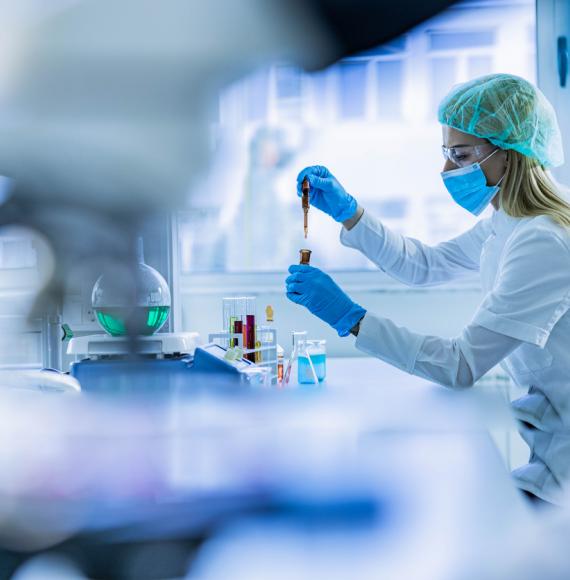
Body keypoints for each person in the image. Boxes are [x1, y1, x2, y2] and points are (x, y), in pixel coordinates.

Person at [285, 73, 570, 507]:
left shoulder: (542, 239)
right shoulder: (509, 222)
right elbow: (425, 265)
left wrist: (350, 318)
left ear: (510, 154)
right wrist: (350, 213)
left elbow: (460, 366)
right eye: (446, 154)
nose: (446, 170)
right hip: (549, 455)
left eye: (461, 156)